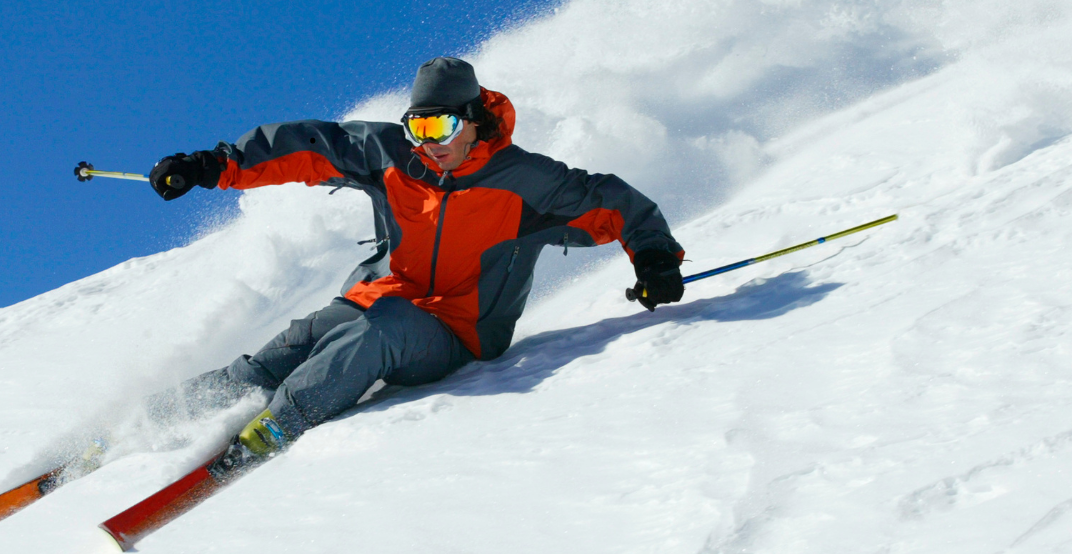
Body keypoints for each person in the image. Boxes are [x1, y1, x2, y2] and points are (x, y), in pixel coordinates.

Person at [146, 57, 685, 472]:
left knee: (380, 334)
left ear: (474, 121)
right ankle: (154, 420)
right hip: (381, 295)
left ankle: (271, 428)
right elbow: (310, 144)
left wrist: (654, 257)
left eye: (442, 128)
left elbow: (614, 202)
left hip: (457, 330)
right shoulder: (393, 157)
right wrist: (216, 165)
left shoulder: (525, 182)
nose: (430, 145)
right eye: (417, 129)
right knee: (295, 344)